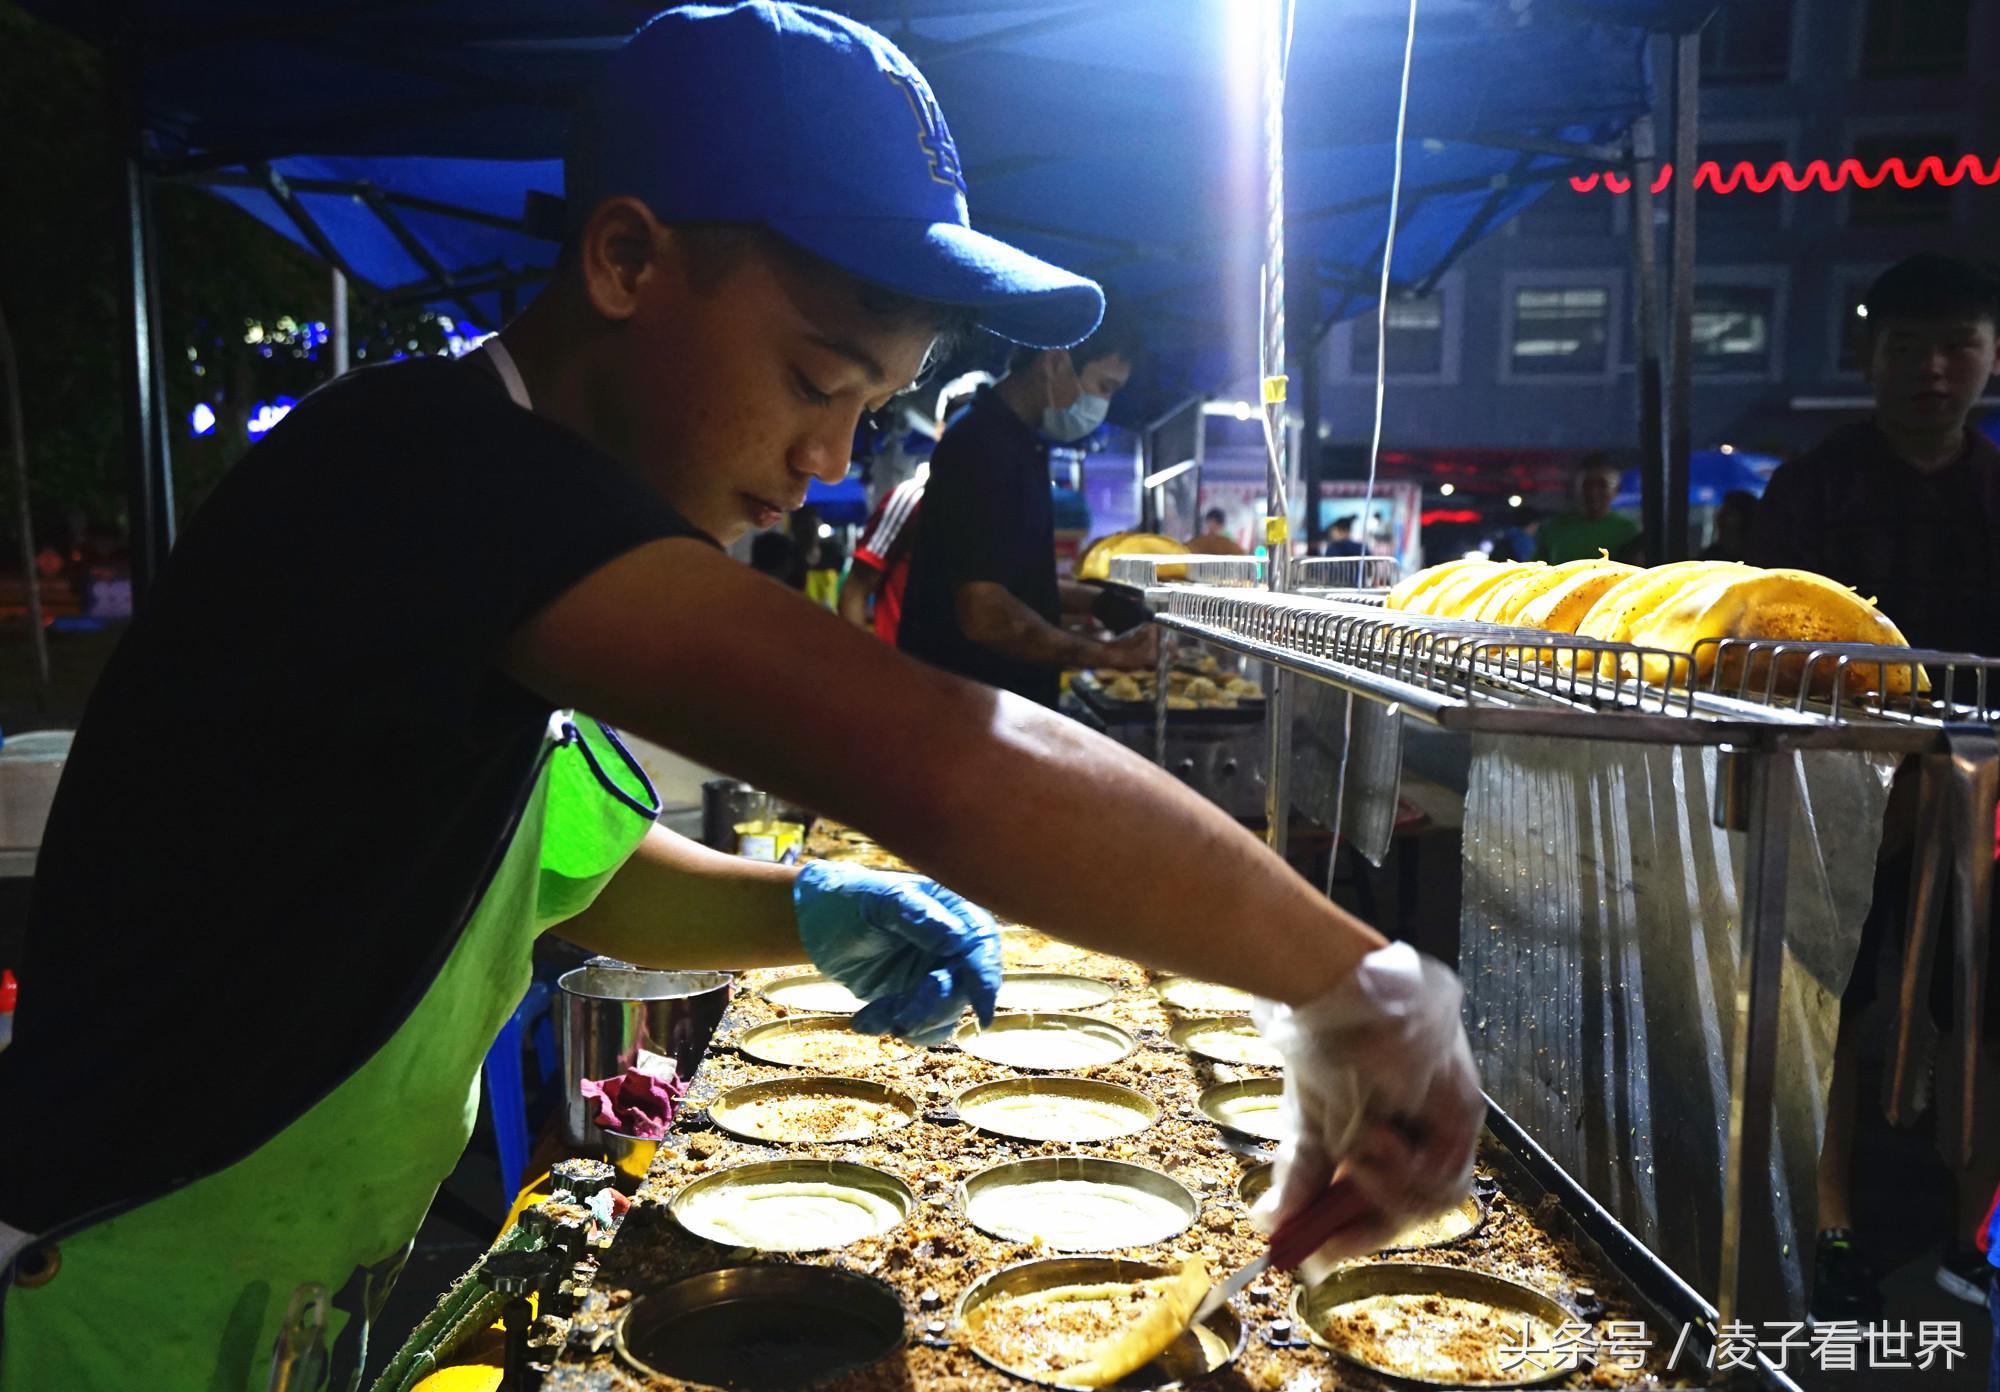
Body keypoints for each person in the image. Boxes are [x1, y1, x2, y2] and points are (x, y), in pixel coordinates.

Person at [0, 7, 1482, 1388]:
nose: (826, 461)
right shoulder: (428, 477)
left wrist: (802, 911)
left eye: (869, 409)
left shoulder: (505, 547)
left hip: (271, 1295)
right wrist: (1357, 985)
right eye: (812, 378)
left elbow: (553, 874)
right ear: (625, 260)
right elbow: (942, 760)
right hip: (106, 1282)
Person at [1750, 252, 2000, 1322]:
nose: (1933, 370)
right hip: (1839, 789)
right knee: (1827, 1004)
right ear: (1868, 358)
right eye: (1907, 347)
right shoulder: (1811, 490)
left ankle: (1970, 1236)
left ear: (1990, 358)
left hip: (1987, 797)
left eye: (1957, 347)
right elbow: (1756, 647)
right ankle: (1830, 1226)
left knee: (1984, 1013)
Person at [897, 313, 1157, 704]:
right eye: (1104, 387)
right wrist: (1107, 655)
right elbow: (984, 612)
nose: (1103, 404)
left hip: (995, 708)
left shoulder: (1021, 444)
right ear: (1055, 362)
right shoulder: (982, 445)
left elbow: (1012, 581)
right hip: (961, 710)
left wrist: (1099, 603)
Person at [839, 370, 992, 640]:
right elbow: (856, 589)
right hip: (904, 661)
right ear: (941, 430)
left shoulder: (997, 511)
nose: (973, 430)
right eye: (961, 417)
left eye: (984, 421)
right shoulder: (912, 498)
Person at [1535, 455, 1639, 564]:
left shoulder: (1628, 530)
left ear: (1616, 490)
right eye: (1587, 485)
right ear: (1576, 488)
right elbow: (1536, 567)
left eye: (1602, 485)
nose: (1593, 492)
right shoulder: (1554, 527)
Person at [1699, 489, 1756, 562]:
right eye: (1722, 513)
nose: (1720, 519)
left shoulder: (1757, 557)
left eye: (1730, 514)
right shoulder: (1710, 556)